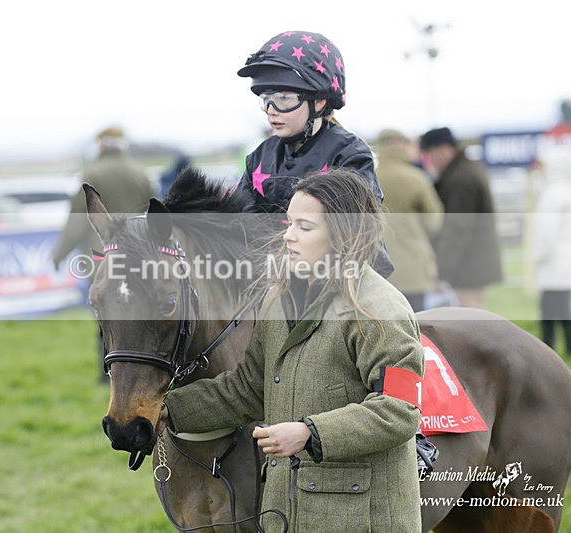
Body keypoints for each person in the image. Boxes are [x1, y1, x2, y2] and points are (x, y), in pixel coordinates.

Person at [161, 168, 424, 532]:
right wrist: (168, 410)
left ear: (343, 233)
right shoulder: (277, 300)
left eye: (305, 226)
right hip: (286, 516)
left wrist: (310, 433)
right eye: (289, 223)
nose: (288, 236)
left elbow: (400, 411)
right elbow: (247, 389)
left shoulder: (381, 310)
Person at [234, 30, 393, 277]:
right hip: (274, 277)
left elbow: (353, 232)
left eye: (284, 98)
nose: (271, 110)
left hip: (340, 278)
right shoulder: (259, 157)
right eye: (267, 99)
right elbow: (237, 223)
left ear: (319, 101)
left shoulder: (350, 154)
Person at [419, 127, 503, 308]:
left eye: (430, 153)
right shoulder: (465, 170)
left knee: (468, 317)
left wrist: (441, 273)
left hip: (468, 266)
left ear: (446, 150)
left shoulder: (461, 179)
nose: (429, 160)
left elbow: (457, 230)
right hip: (473, 262)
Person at [52, 126, 153, 267]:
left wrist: (58, 256)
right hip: (139, 256)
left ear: (103, 143)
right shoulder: (140, 172)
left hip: (104, 257)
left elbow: (78, 219)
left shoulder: (93, 173)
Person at [374, 129, 444, 312]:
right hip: (413, 267)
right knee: (417, 320)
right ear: (397, 144)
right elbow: (433, 222)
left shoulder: (367, 176)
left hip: (377, 269)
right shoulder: (416, 178)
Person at [531, 145, 571, 356]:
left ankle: (549, 350)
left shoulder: (553, 194)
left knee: (550, 309)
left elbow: (547, 233)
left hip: (553, 261)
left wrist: (538, 257)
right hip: (566, 259)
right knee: (563, 307)